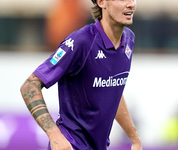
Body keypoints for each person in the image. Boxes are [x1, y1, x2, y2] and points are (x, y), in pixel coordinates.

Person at [20, 0, 142, 150]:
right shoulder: (81, 42)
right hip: (71, 145)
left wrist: (134, 139)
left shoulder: (129, 40)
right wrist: (54, 135)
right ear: (102, 2)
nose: (131, 4)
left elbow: (112, 90)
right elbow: (29, 86)